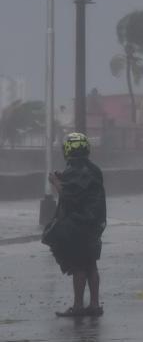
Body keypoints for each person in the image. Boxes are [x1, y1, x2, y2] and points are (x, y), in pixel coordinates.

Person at [43, 132, 107, 317]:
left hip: (79, 224)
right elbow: (84, 187)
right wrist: (64, 178)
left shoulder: (72, 171)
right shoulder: (94, 169)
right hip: (95, 223)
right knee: (91, 264)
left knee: (78, 266)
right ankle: (94, 305)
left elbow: (70, 197)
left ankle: (78, 306)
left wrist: (56, 182)